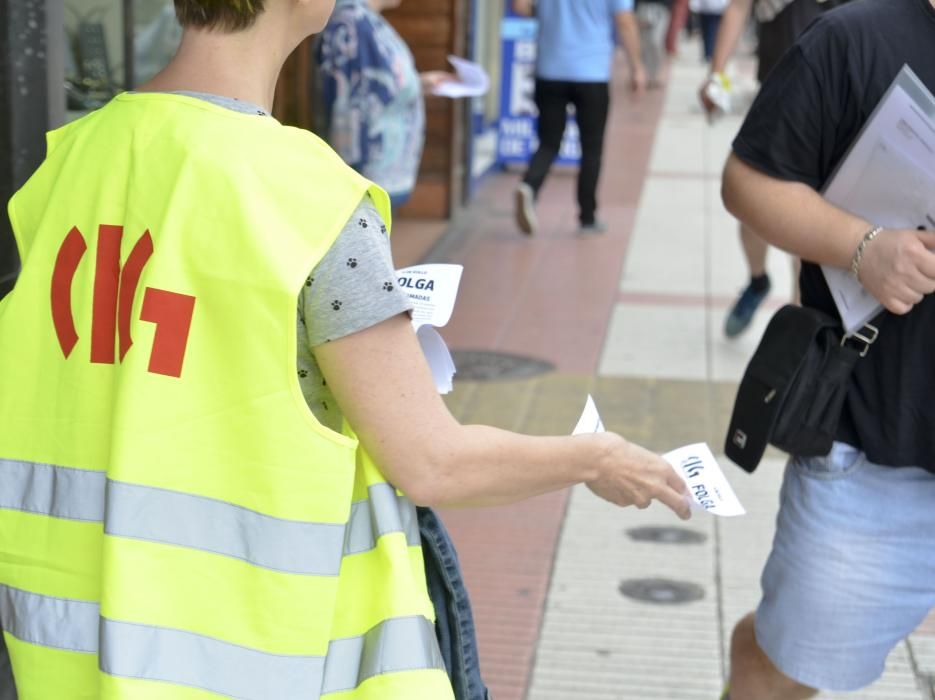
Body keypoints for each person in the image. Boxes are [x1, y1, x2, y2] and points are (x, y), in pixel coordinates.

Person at [0, 0, 692, 697]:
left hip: (69, 655)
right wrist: (593, 457)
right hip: (256, 655)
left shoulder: (68, 162)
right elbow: (432, 464)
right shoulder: (307, 197)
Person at [717, 0, 935, 698]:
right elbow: (747, 180)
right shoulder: (855, 39)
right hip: (877, 458)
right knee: (780, 671)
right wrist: (862, 248)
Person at [699, 0, 841, 337]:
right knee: (752, 210)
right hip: (779, 94)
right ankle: (757, 280)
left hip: (835, 105)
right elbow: (738, 7)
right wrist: (716, 76)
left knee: (807, 246)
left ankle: (796, 346)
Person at [512, 0, 646, 236]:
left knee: (549, 141)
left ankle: (529, 185)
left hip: (549, 69)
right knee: (591, 149)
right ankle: (587, 216)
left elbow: (520, 6)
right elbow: (624, 20)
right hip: (591, 73)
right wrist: (636, 66)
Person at [315, 0, 452, 210]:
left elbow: (379, 84)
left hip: (377, 174)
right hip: (364, 180)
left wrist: (419, 83)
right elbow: (350, 103)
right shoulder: (353, 23)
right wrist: (353, 178)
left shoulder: (365, 20)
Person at [636, 0, 673, 88]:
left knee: (655, 41)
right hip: (644, 8)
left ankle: (655, 75)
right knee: (644, 44)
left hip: (661, 8)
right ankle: (645, 74)